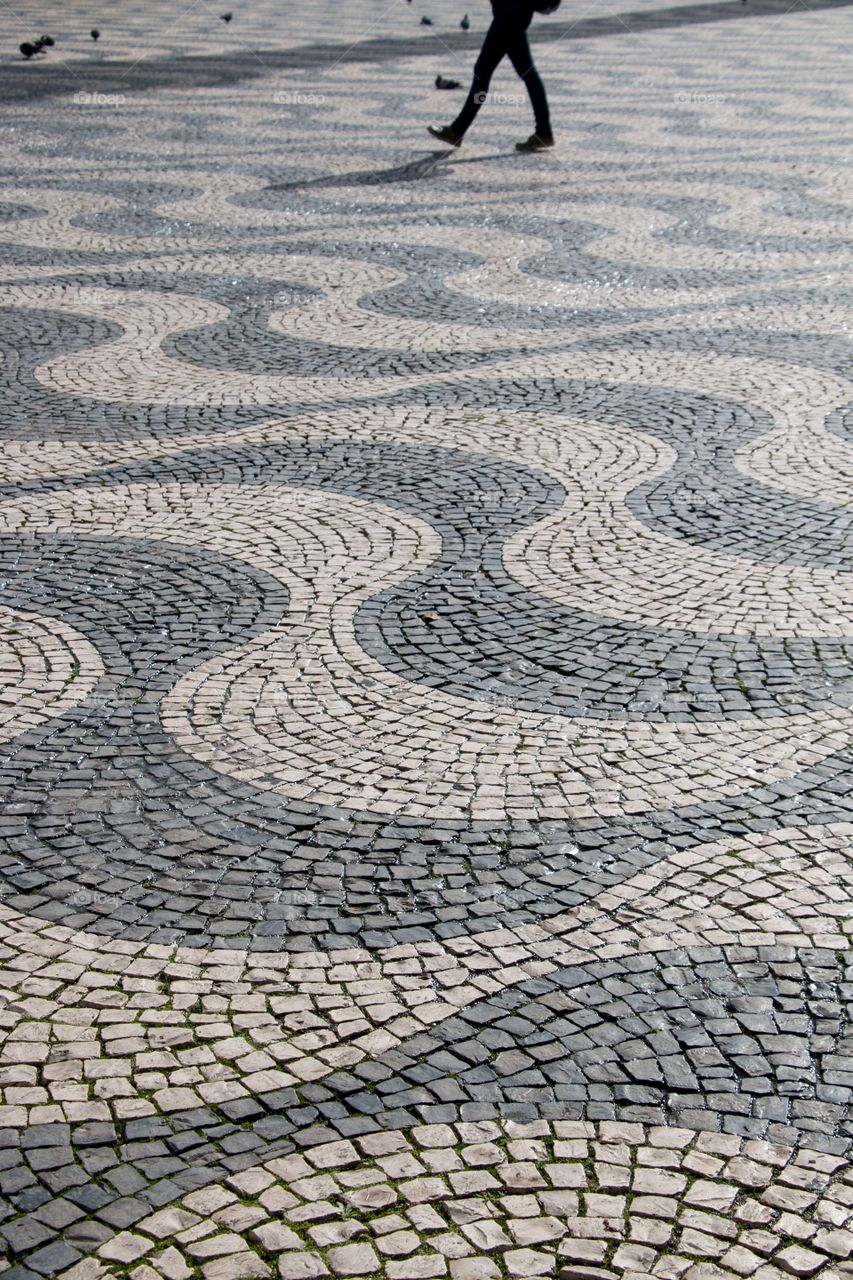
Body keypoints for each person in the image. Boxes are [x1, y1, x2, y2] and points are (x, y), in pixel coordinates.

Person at [428, 0, 553, 152]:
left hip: (509, 15)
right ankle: (544, 131)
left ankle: (457, 130)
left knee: (483, 71)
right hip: (515, 14)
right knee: (527, 74)